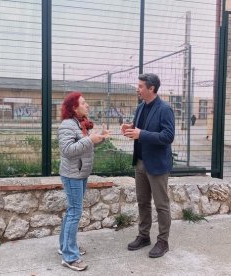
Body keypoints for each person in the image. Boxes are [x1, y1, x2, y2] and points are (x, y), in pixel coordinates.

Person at [121, 73, 175, 258]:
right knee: (142, 202)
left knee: (161, 205)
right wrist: (129, 128)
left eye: (141, 86)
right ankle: (144, 236)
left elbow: (168, 136)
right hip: (140, 162)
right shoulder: (140, 107)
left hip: (158, 165)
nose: (138, 88)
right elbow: (138, 129)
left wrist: (141, 134)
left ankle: (163, 241)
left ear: (151, 88)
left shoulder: (164, 109)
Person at [58, 91, 110, 271]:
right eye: (84, 102)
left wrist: (100, 138)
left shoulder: (80, 124)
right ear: (74, 107)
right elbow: (67, 150)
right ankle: (70, 257)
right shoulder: (67, 125)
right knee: (75, 213)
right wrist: (89, 139)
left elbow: (86, 147)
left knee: (72, 211)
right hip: (72, 174)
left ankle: (65, 246)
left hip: (80, 173)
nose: (87, 105)